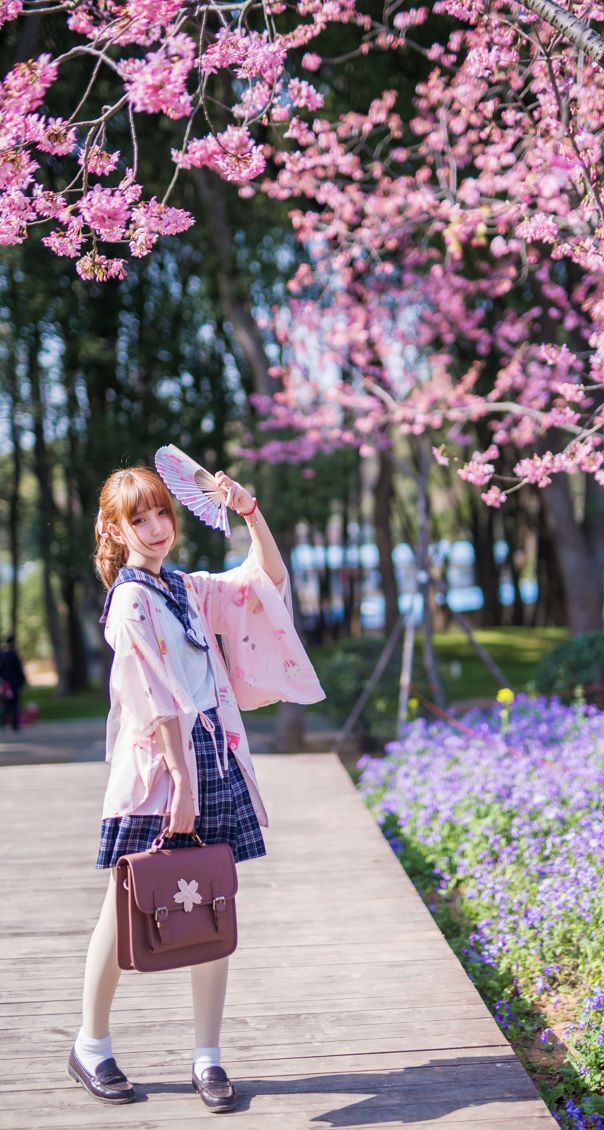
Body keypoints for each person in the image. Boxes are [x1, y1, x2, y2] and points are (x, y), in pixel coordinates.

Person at [68, 465, 325, 1111]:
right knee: (120, 909)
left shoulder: (183, 586)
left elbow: (262, 580)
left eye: (162, 515)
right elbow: (152, 698)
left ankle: (207, 1055)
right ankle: (90, 1044)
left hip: (212, 754)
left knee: (214, 904)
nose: (156, 530)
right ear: (115, 528)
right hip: (161, 770)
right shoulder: (130, 600)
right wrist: (181, 781)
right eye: (140, 519)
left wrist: (250, 510)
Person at [0, 634, 26, 731]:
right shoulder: (13, 655)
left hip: (6, 683)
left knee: (8, 703)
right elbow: (19, 669)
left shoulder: (3, 655)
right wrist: (23, 680)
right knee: (15, 703)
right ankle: (14, 724)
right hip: (14, 683)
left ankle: (3, 722)